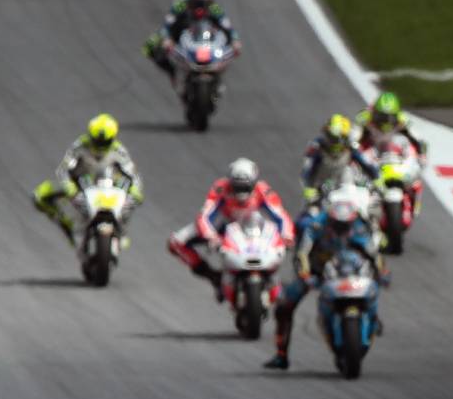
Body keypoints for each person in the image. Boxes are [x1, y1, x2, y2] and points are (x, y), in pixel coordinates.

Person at [262, 190, 386, 370]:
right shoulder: (316, 225)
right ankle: (281, 355)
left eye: (346, 224)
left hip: (351, 269)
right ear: (330, 218)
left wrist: (382, 271)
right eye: (337, 224)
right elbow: (303, 252)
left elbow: (373, 252)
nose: (342, 229)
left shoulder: (358, 225)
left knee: (374, 285)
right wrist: (305, 274)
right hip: (318, 270)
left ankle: (373, 317)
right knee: (283, 306)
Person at [168, 158, 292, 300]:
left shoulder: (263, 189)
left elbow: (281, 215)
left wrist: (287, 236)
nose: (241, 192)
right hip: (223, 226)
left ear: (253, 182)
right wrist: (210, 235)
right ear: (230, 182)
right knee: (175, 242)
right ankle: (214, 277)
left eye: (245, 187)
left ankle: (273, 280)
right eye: (236, 187)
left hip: (253, 226)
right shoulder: (220, 187)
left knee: (278, 239)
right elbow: (204, 215)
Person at [31, 114, 143, 246]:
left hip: (109, 183)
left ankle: (121, 230)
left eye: (104, 142)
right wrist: (68, 185)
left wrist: (136, 189)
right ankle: (66, 223)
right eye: (96, 141)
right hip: (80, 182)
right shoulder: (80, 145)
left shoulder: (119, 150)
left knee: (133, 197)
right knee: (40, 195)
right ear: (90, 135)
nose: (100, 145)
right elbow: (63, 169)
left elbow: (133, 174)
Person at [142, 0, 239, 77]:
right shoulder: (180, 4)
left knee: (229, 43)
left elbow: (227, 26)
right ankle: (172, 71)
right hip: (180, 30)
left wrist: (235, 40)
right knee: (150, 45)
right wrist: (167, 38)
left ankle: (216, 71)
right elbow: (167, 24)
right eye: (198, 1)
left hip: (203, 35)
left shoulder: (214, 8)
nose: (201, 5)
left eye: (205, 2)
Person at [300, 114, 378, 209]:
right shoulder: (316, 146)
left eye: (335, 139)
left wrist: (377, 179)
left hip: (345, 188)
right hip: (320, 190)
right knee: (307, 218)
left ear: (344, 139)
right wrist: (309, 188)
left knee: (370, 208)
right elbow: (307, 169)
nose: (331, 141)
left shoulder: (351, 147)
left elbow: (367, 164)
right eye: (330, 136)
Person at [354, 91, 429, 157]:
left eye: (390, 117)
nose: (386, 120)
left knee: (407, 141)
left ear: (397, 114)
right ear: (374, 112)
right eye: (381, 116)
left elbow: (418, 139)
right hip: (370, 149)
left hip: (393, 153)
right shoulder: (364, 117)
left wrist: (420, 153)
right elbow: (354, 137)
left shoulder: (403, 119)